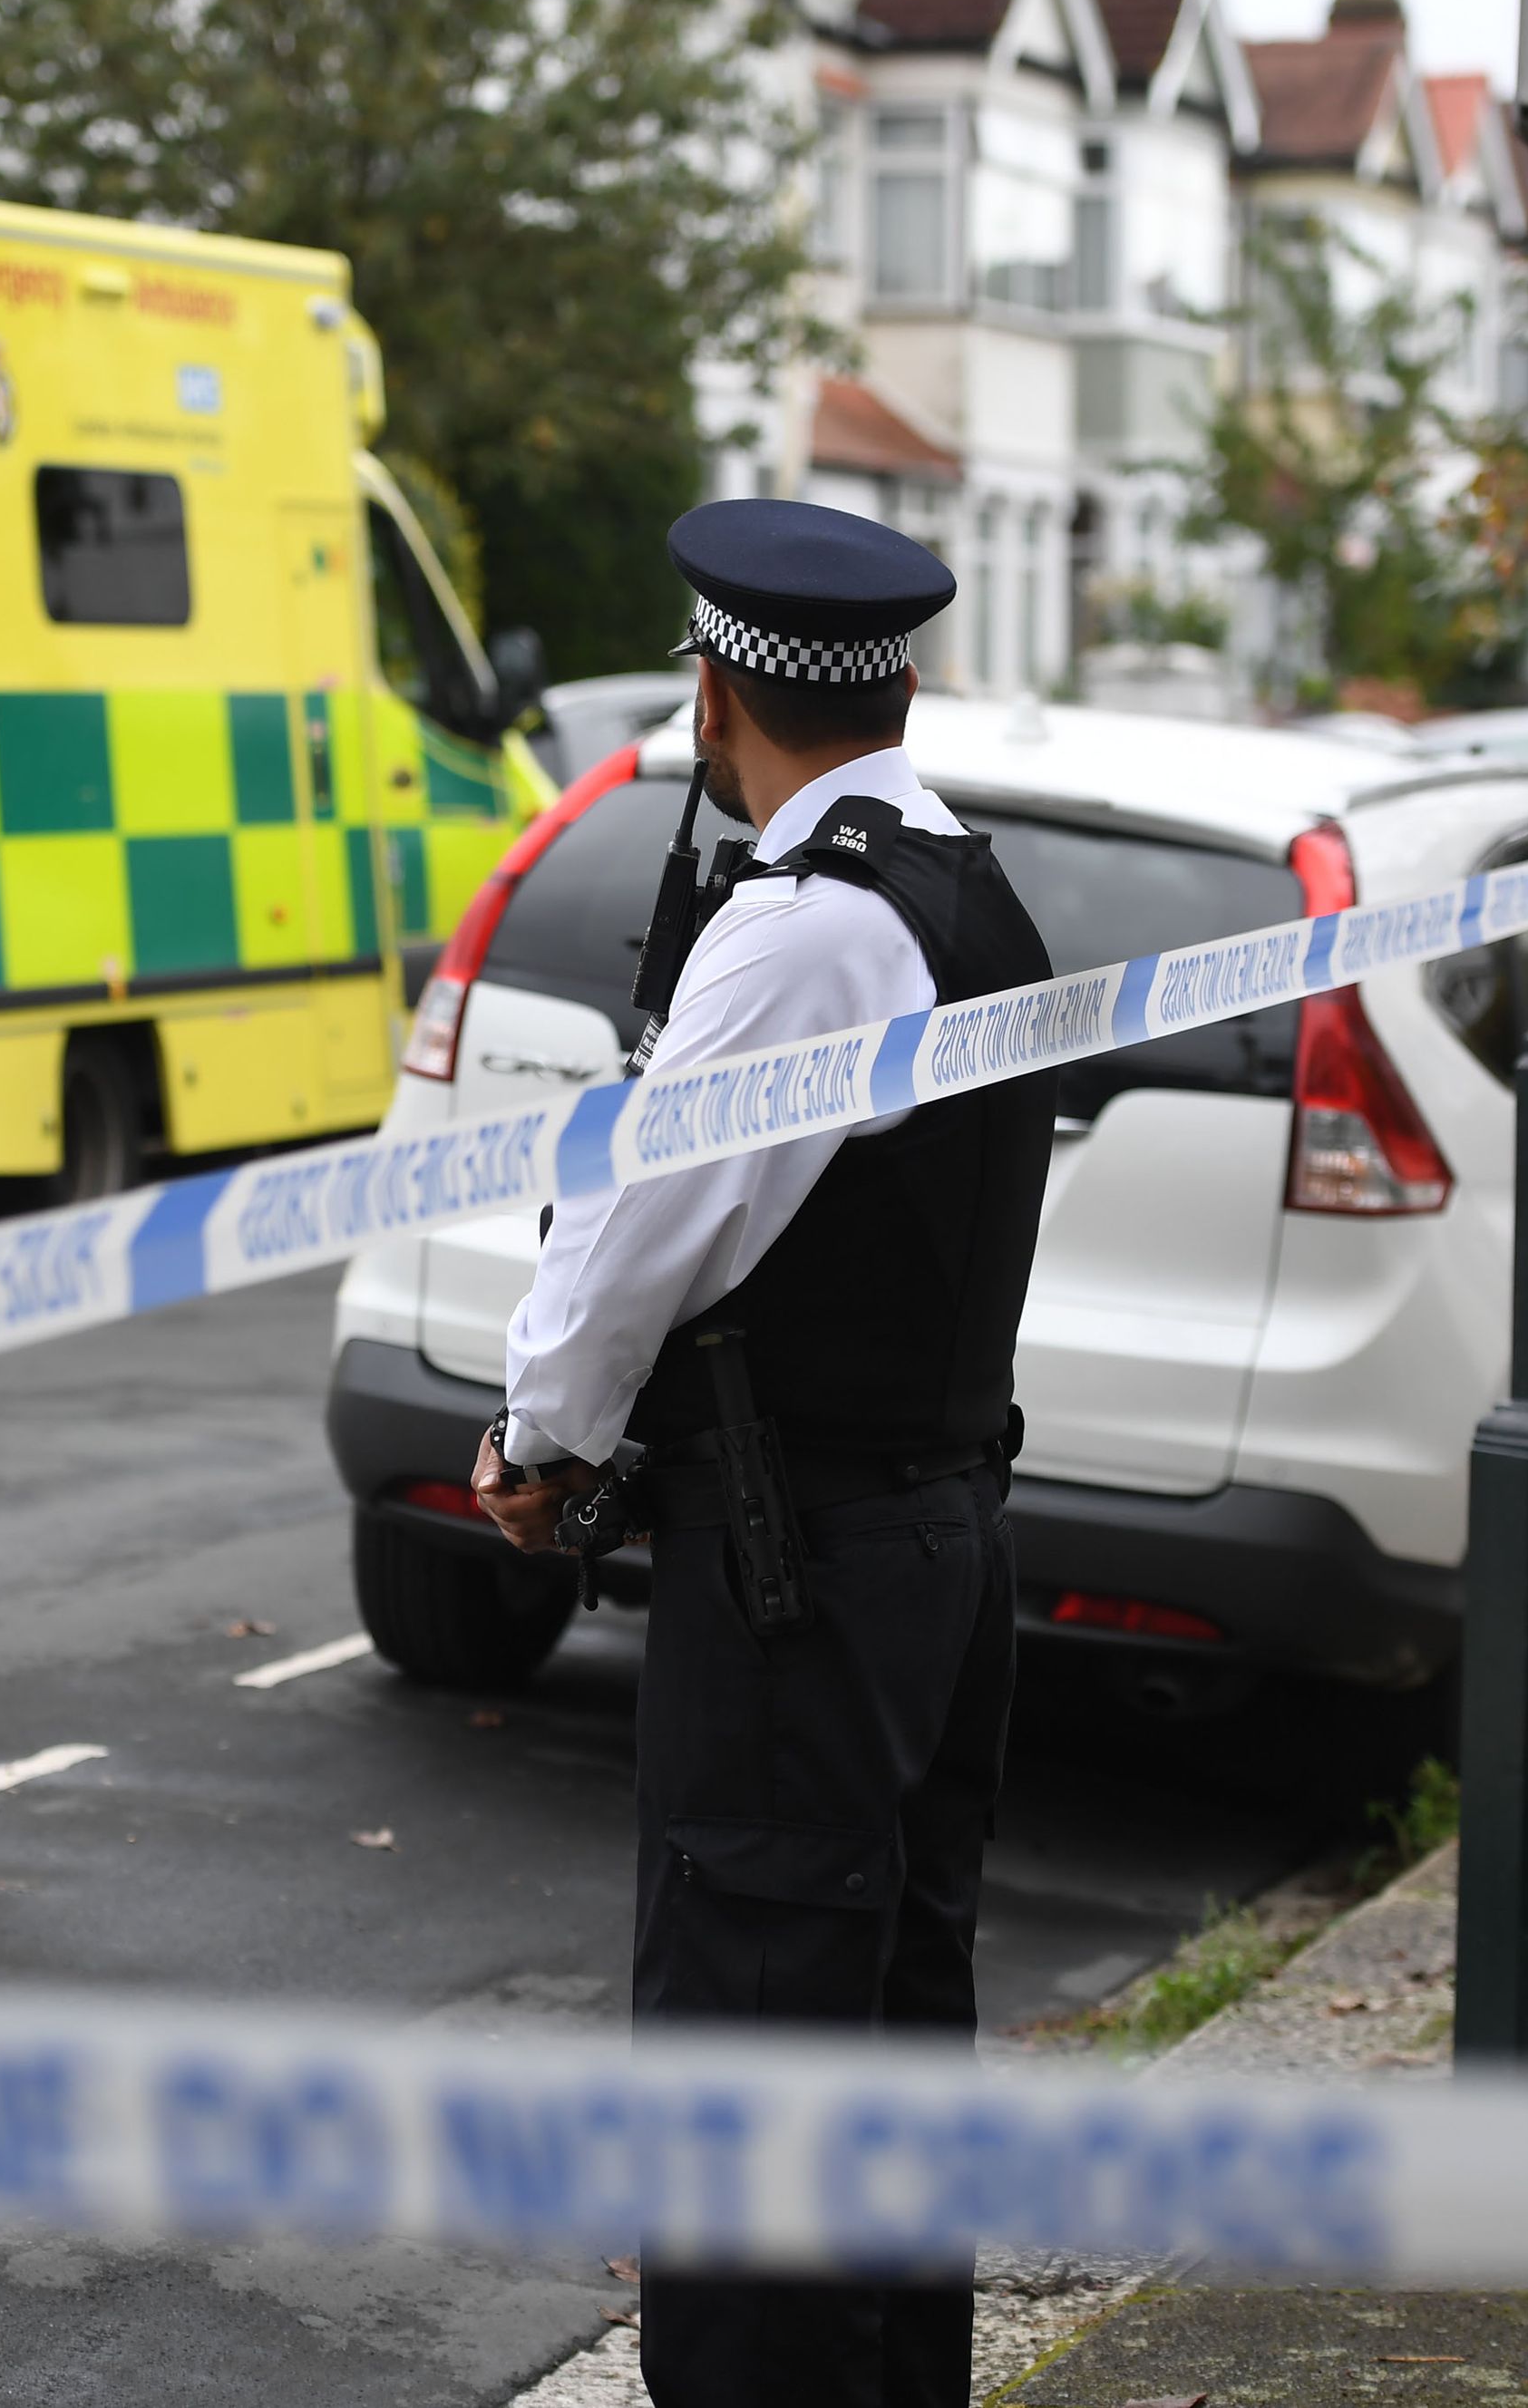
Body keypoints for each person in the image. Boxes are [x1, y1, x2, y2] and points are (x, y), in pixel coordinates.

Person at [471, 499, 1059, 2408]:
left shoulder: (803, 931)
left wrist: (531, 1439)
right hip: (931, 1543)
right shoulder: (966, 887)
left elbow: (637, 1230)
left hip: (795, 1565)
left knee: (746, 2037)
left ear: (717, 692)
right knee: (882, 2026)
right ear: (897, 680)